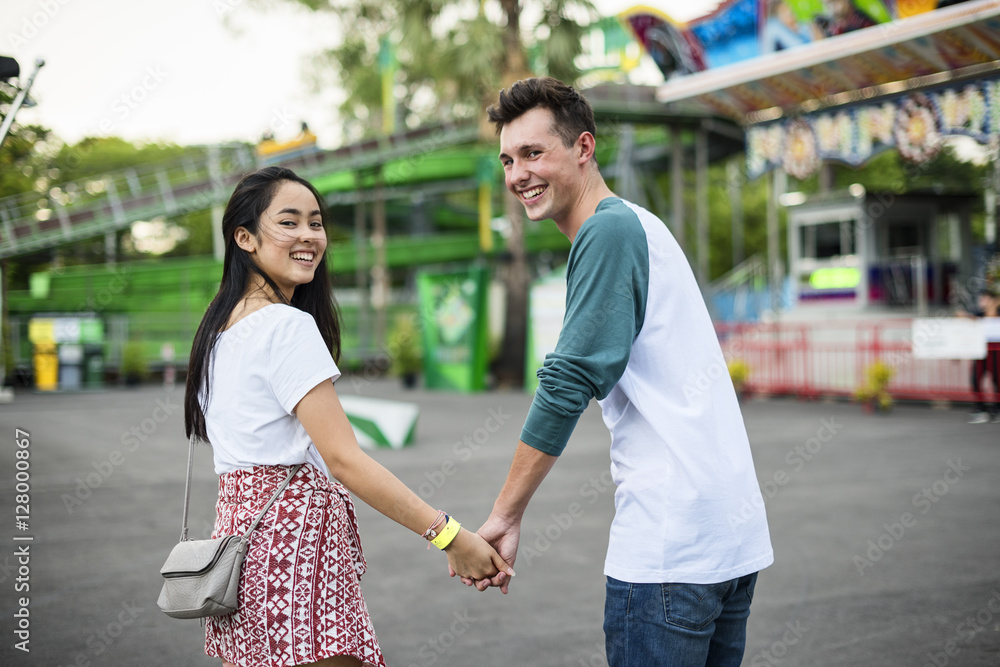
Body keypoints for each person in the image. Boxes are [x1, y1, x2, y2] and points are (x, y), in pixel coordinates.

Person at [463, 77, 774, 666]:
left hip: (671, 551)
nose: (517, 174)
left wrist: (505, 513)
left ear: (584, 148)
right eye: (507, 159)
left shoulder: (607, 230)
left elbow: (568, 382)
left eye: (533, 153)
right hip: (726, 538)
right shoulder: (638, 224)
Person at [183, 166, 512, 667]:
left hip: (238, 554)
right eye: (288, 222)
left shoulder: (219, 331)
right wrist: (449, 536)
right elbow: (345, 461)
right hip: (294, 557)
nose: (309, 236)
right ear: (244, 237)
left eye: (316, 223)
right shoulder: (285, 326)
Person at [959, 287, 1000, 423]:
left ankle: (997, 409)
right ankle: (980, 408)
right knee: (975, 379)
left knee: (997, 381)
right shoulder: (978, 314)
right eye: (982, 298)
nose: (982, 301)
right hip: (980, 352)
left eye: (986, 298)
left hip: (996, 352)